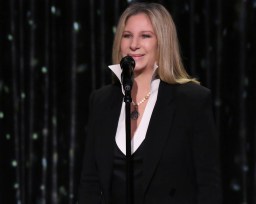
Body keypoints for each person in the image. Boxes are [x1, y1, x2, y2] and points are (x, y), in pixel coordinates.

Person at [78, 2, 221, 204]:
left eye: (145, 36)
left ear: (162, 42)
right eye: (127, 35)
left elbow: (209, 186)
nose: (134, 44)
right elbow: (90, 183)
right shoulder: (101, 101)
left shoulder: (192, 101)